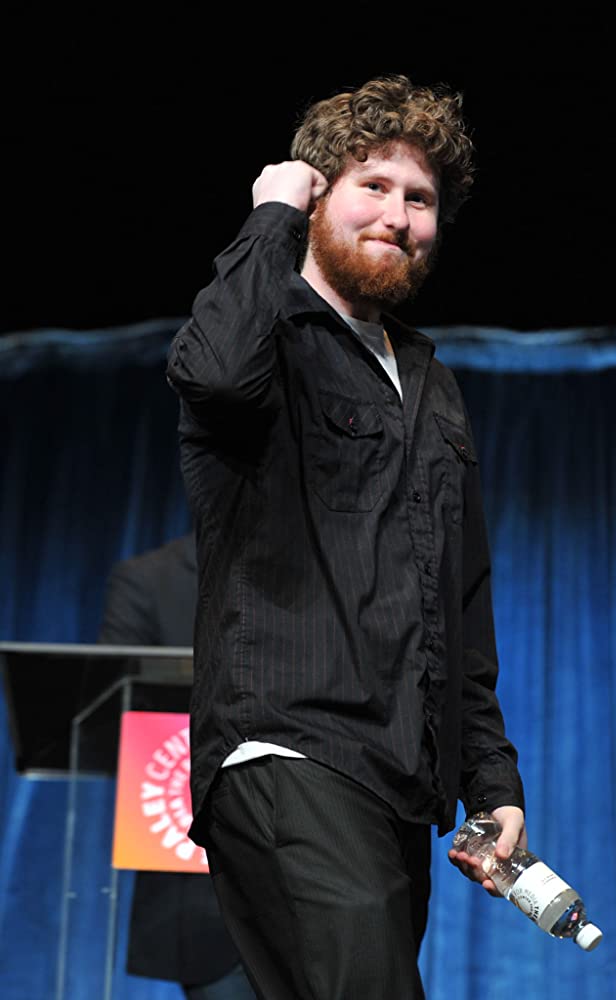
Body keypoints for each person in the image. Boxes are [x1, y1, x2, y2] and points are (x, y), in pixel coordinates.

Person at [166, 74, 526, 999]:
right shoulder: (268, 332)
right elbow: (211, 377)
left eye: (420, 199)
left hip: (397, 783)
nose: (398, 216)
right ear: (318, 192)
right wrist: (272, 215)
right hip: (289, 749)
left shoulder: (430, 383)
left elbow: (459, 601)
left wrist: (491, 782)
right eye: (373, 185)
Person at [99, 534, 257, 999]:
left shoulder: (318, 574)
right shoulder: (149, 580)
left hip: (317, 884)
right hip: (203, 898)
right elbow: (109, 714)